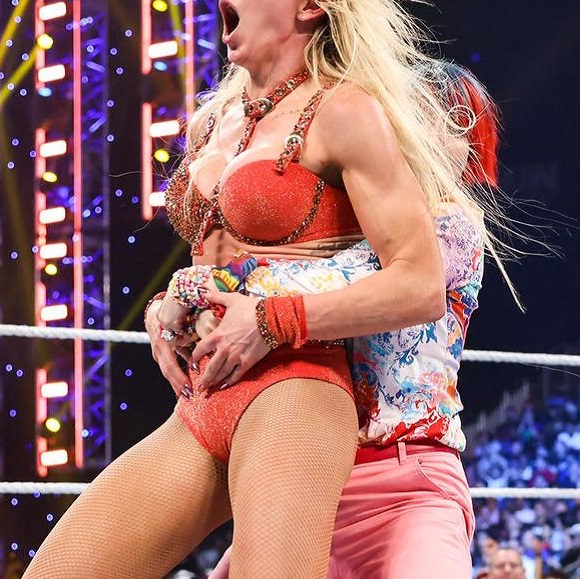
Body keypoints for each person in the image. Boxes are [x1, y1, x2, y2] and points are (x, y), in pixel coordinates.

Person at [25, 0, 491, 579]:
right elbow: (213, 265)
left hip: (298, 386)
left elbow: (419, 283)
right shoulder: (213, 125)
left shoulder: (345, 109)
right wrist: (169, 309)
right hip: (207, 400)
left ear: (310, 3)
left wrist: (272, 320)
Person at [179, 59, 499, 579]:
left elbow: (331, 279)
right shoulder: (354, 222)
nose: (409, 133)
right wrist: (181, 296)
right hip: (306, 481)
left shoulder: (454, 226)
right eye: (399, 117)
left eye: (431, 117)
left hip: (407, 485)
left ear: (463, 135)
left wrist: (195, 289)